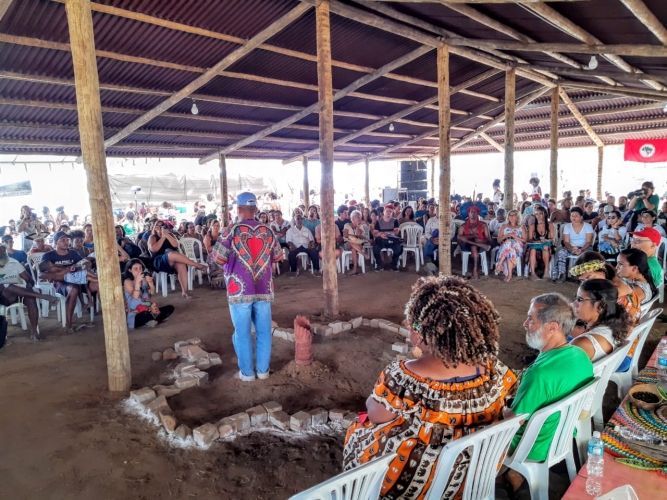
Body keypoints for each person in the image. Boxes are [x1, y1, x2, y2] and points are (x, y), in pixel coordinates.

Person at [344, 276, 517, 500]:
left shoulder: (404, 376)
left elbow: (377, 416)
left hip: (418, 481)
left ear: (424, 332)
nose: (410, 330)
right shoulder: (495, 370)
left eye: (413, 325)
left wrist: (371, 401)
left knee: (358, 428)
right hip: (474, 471)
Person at [503, 293, 594, 497]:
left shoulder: (539, 374)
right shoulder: (580, 355)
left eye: (531, 319)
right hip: (561, 437)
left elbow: (512, 421)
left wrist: (498, 410)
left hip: (532, 447)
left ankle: (511, 472)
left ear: (552, 327)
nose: (525, 324)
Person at [209, 192, 282, 382]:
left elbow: (218, 259)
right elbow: (278, 256)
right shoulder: (268, 231)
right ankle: (264, 371)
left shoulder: (230, 231)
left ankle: (247, 374)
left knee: (242, 333)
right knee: (264, 331)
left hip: (238, 290)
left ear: (238, 209)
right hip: (263, 289)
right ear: (256, 210)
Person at [38, 231, 99, 334]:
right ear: (56, 242)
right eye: (63, 240)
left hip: (79, 279)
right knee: (73, 289)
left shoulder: (73, 253)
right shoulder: (49, 256)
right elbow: (41, 275)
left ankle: (108, 315)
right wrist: (59, 275)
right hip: (62, 283)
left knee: (97, 284)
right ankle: (69, 325)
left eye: (67, 240)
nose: (66, 242)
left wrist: (87, 264)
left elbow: (82, 263)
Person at [0, 245, 59, 341]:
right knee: (6, 285)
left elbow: (29, 279)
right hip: (2, 296)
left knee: (30, 298)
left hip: (18, 293)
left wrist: (29, 285)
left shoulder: (14, 263)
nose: (2, 253)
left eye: (3, 251)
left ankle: (34, 332)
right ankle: (43, 296)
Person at [571, 279, 632, 362]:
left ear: (601, 306)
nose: (574, 304)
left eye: (580, 299)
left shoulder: (582, 344)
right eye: (576, 298)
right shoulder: (615, 326)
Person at [148, 220, 207, 299]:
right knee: (172, 254)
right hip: (159, 261)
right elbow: (154, 249)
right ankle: (196, 265)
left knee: (181, 264)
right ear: (154, 228)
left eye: (161, 226)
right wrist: (163, 237)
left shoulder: (170, 234)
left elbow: (176, 244)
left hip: (173, 259)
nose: (159, 228)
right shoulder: (152, 237)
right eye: (157, 226)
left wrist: (167, 235)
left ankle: (185, 292)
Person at [123, 259, 174, 329]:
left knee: (170, 308)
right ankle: (153, 320)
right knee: (145, 314)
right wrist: (137, 283)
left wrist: (150, 283)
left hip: (148, 309)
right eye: (135, 269)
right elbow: (135, 297)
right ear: (130, 270)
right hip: (136, 314)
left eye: (140, 268)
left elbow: (151, 292)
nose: (139, 270)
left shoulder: (144, 280)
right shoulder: (127, 282)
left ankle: (151, 321)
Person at [552, 206, 594, 283]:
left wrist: (581, 249)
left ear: (581, 217)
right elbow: (566, 242)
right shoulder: (567, 226)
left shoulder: (588, 226)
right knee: (561, 252)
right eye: (572, 216)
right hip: (571, 247)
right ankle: (561, 274)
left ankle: (583, 276)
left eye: (576, 216)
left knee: (588, 254)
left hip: (585, 247)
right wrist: (572, 248)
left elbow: (588, 242)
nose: (573, 218)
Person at [456, 205, 491, 279]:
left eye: (475, 212)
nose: (473, 214)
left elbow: (488, 239)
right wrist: (469, 237)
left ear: (478, 214)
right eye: (471, 212)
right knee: (460, 237)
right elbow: (459, 240)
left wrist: (481, 240)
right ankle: (475, 271)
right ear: (468, 213)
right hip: (466, 245)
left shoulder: (483, 225)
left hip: (480, 245)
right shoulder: (463, 226)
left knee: (474, 246)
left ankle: (475, 270)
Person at [495, 209, 525, 282]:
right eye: (510, 215)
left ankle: (500, 263)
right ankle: (510, 274)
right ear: (508, 217)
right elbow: (499, 240)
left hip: (518, 247)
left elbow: (524, 240)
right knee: (509, 247)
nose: (512, 217)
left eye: (514, 215)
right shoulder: (503, 227)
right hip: (506, 247)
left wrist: (515, 237)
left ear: (517, 217)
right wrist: (507, 235)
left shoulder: (521, 227)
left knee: (509, 243)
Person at [526, 205, 554, 280]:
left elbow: (551, 238)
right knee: (532, 250)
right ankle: (533, 273)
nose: (538, 216)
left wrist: (546, 240)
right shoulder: (532, 225)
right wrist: (536, 241)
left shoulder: (550, 224)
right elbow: (530, 239)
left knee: (545, 247)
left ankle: (546, 272)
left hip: (546, 243)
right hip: (535, 244)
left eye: (540, 213)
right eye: (536, 214)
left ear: (544, 214)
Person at [372, 205, 402, 272]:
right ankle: (379, 265)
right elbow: (375, 233)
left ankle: (394, 265)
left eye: (390, 211)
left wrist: (385, 233)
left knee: (398, 248)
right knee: (375, 248)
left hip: (392, 240)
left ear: (392, 212)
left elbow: (396, 232)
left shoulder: (395, 221)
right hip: (381, 240)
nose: (388, 212)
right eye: (387, 211)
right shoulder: (378, 222)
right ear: (384, 212)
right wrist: (380, 234)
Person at [343, 210, 367, 276]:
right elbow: (345, 235)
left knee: (354, 249)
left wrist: (358, 227)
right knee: (350, 242)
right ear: (352, 218)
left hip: (358, 244)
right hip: (347, 244)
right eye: (357, 217)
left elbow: (360, 236)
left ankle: (355, 269)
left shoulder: (361, 226)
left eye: (360, 217)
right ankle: (363, 253)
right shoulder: (347, 225)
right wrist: (354, 237)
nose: (359, 219)